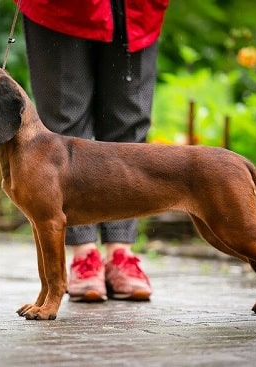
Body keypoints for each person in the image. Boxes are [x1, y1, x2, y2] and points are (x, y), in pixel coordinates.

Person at [17, 0, 169, 302]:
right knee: (63, 124)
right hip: (58, 9)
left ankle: (121, 251)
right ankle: (83, 254)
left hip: (136, 9)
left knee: (128, 126)